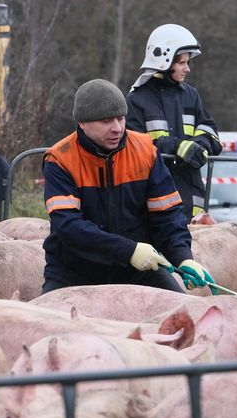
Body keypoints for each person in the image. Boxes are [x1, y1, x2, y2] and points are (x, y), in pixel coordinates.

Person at [42, 78, 214, 293]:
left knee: (183, 314)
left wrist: (183, 257)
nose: (117, 128)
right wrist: (128, 250)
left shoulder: (146, 150)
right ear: (82, 123)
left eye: (121, 119)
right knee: (50, 322)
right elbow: (69, 227)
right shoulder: (60, 159)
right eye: (106, 121)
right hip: (73, 271)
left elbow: (167, 214)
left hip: (138, 268)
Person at [127, 24, 221, 217]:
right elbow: (131, 148)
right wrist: (174, 147)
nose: (187, 69)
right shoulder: (136, 100)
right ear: (164, 61)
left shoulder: (191, 96)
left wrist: (196, 146)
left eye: (187, 62)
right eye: (181, 63)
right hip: (152, 203)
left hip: (191, 202)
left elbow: (211, 132)